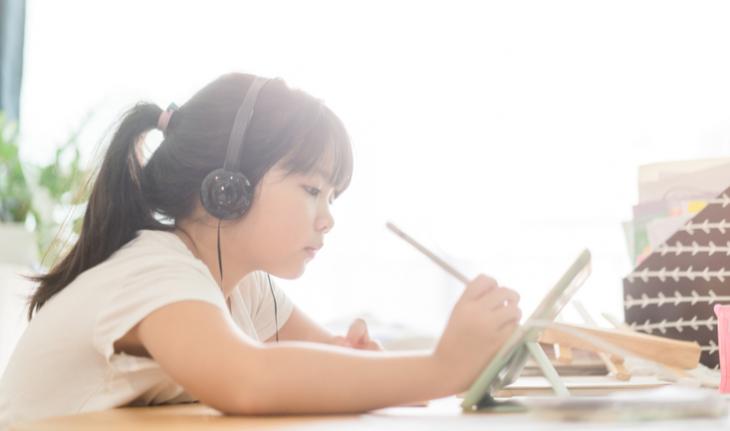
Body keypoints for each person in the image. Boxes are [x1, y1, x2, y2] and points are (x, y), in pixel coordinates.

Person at [0, 73, 521, 427]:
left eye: (332, 196)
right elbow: (248, 381)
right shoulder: (155, 270)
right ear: (229, 187)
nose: (328, 217)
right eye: (311, 189)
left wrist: (357, 367)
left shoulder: (241, 286)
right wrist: (443, 366)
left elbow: (324, 366)